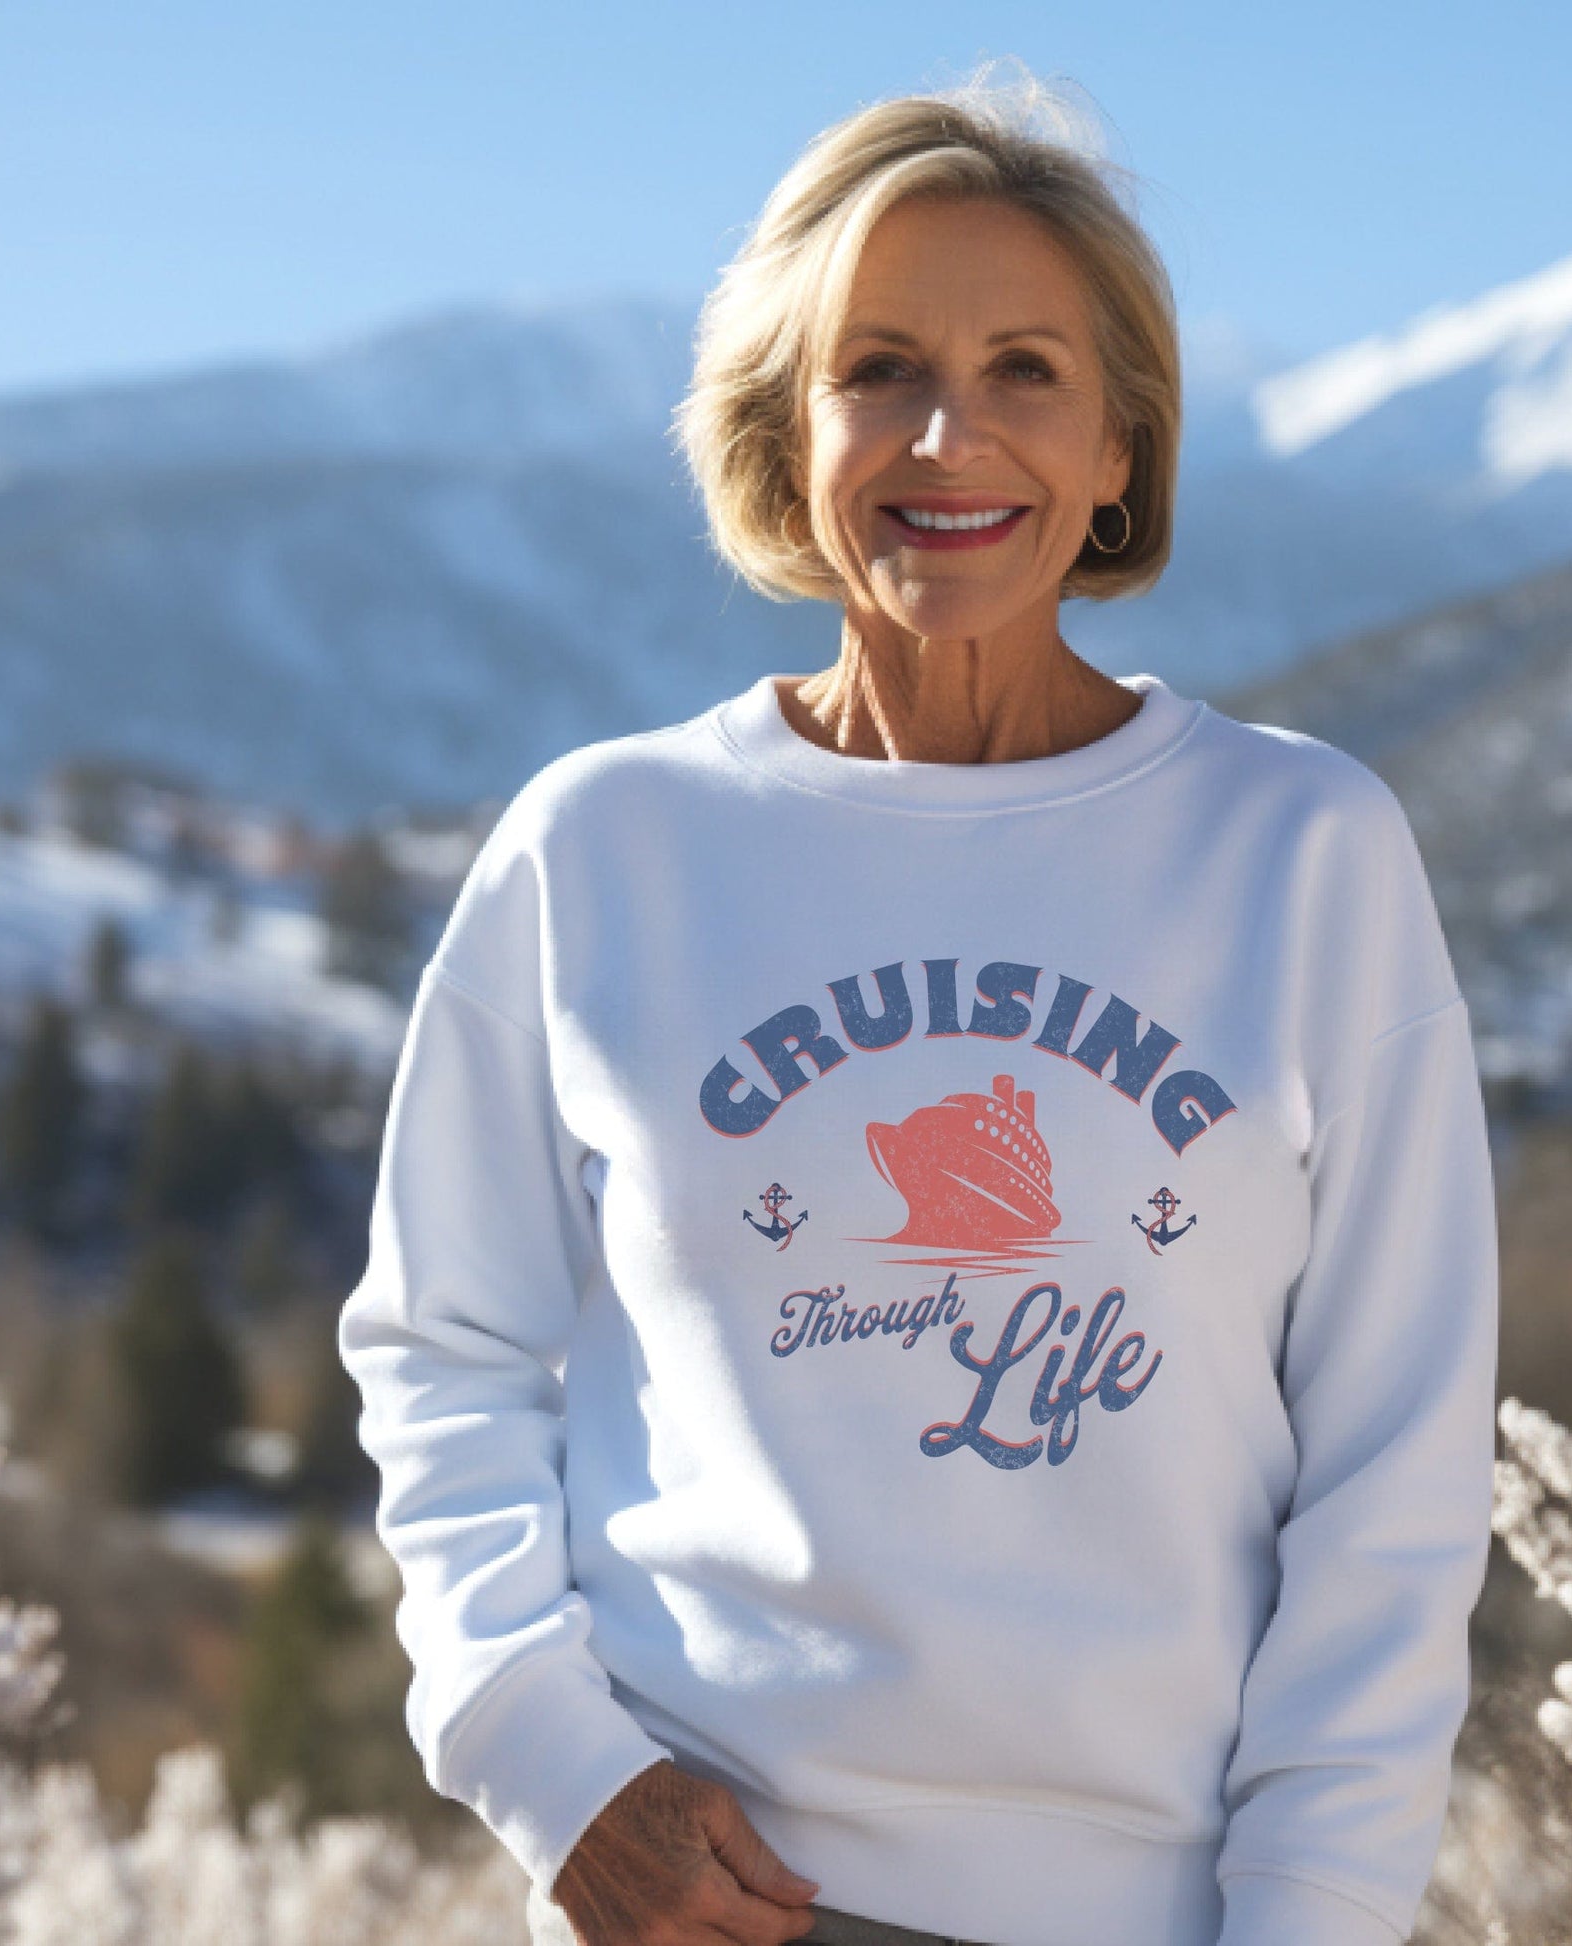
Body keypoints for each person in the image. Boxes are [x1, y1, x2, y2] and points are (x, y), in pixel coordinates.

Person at [339, 64, 1500, 1946]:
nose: (950, 438)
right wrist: (555, 1771)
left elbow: (1397, 1469)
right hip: (704, 1906)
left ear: (1123, 446)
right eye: (878, 367)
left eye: (1026, 370)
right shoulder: (605, 846)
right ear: (785, 435)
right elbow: (441, 1349)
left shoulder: (1303, 856)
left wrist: (1313, 1913)